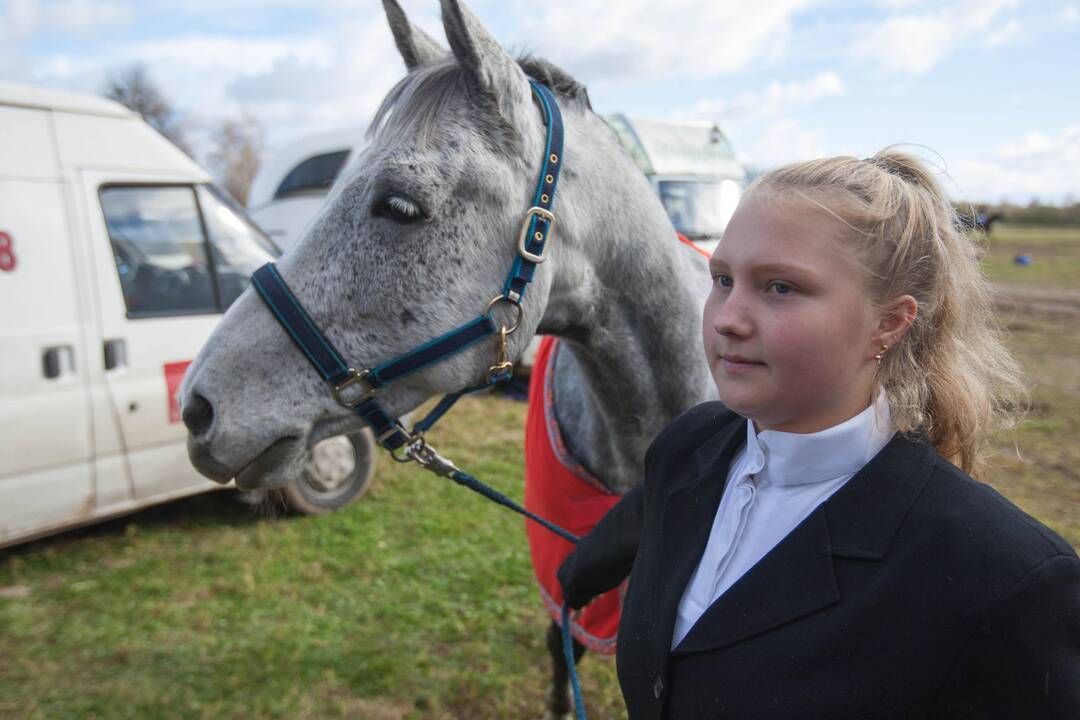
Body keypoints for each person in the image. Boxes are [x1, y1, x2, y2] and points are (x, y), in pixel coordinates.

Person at [557, 150, 1080, 719]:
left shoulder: (1006, 578)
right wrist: (575, 577)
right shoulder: (691, 443)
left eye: (780, 287)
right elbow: (645, 523)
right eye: (723, 279)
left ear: (889, 322)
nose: (728, 316)